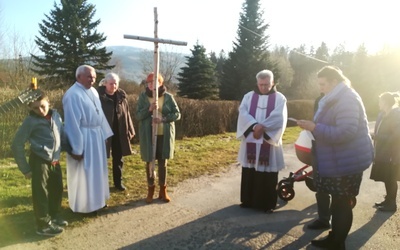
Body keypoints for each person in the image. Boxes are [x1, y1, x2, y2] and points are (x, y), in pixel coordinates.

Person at [297, 66, 374, 250]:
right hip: (339, 159)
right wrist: (313, 126)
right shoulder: (337, 97)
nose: (320, 88)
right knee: (340, 201)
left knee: (341, 203)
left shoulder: (347, 99)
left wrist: (314, 127)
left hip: (347, 161)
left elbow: (345, 133)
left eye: (323, 84)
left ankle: (337, 242)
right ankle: (335, 237)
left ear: (334, 82)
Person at [11, 91, 68, 236]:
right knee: (40, 192)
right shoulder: (30, 121)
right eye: (35, 108)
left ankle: (54, 215)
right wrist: (25, 169)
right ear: (31, 109)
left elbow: (61, 135)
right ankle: (43, 225)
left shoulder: (56, 116)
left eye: (43, 106)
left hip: (54, 159)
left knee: (57, 188)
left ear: (49, 103)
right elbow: (17, 144)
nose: (40, 111)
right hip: (39, 160)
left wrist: (72, 150)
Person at [62, 65, 113, 214]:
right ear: (79, 77)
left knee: (97, 171)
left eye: (94, 77)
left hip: (96, 136)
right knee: (85, 173)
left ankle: (98, 201)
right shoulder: (73, 95)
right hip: (84, 138)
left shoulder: (93, 92)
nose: (93, 79)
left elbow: (100, 114)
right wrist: (77, 148)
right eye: (89, 76)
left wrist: (103, 134)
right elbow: (72, 124)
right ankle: (85, 206)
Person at [236, 69, 288, 214]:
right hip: (251, 139)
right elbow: (243, 112)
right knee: (250, 168)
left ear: (272, 83)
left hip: (268, 140)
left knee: (267, 171)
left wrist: (262, 127)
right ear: (257, 83)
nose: (264, 88)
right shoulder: (248, 96)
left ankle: (266, 203)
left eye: (266, 84)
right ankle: (248, 200)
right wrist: (254, 126)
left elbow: (279, 117)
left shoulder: (280, 98)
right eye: (261, 84)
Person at [136, 72, 181, 203]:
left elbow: (177, 114)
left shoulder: (168, 97)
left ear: (160, 83)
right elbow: (138, 116)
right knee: (149, 162)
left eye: (154, 82)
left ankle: (163, 190)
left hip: (164, 135)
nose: (150, 85)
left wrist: (164, 118)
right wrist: (149, 109)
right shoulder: (143, 97)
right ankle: (150, 189)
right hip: (148, 135)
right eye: (148, 83)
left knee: (163, 163)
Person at [97, 73, 135, 191]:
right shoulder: (98, 97)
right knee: (102, 158)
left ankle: (118, 182)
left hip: (119, 131)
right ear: (105, 83)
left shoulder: (121, 97)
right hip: (103, 132)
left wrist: (130, 129)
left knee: (118, 158)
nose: (113, 86)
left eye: (115, 83)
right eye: (111, 83)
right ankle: (101, 184)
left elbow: (127, 114)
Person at [370, 92, 400, 212]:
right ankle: (388, 200)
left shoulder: (396, 115)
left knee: (391, 178)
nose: (379, 103)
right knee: (386, 177)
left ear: (386, 102)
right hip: (383, 152)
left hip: (392, 153)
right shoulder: (382, 115)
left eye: (380, 101)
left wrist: (377, 136)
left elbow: (396, 136)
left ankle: (392, 204)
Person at [307, 93, 331, 230]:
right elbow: (316, 121)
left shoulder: (344, 99)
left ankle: (336, 230)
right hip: (318, 146)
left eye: (324, 84)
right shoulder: (319, 99)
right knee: (320, 184)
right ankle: (323, 219)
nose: (321, 87)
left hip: (335, 149)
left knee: (336, 188)